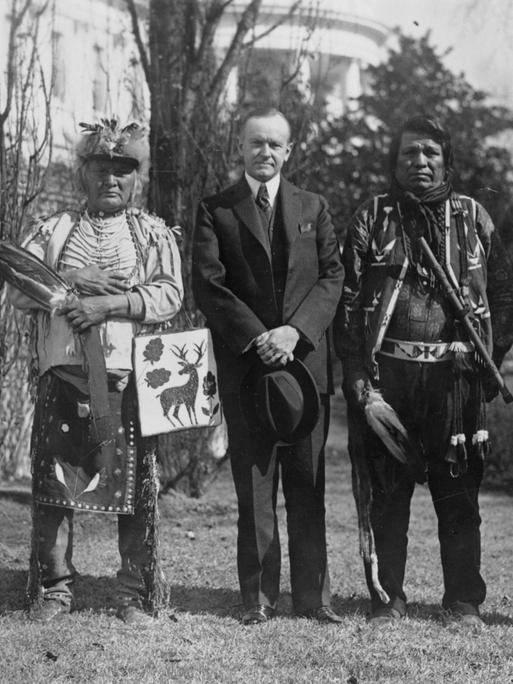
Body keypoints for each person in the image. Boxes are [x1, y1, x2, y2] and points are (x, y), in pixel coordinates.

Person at [334, 115, 513, 627]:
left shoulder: (474, 218)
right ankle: (388, 597)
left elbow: (503, 295)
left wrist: (490, 359)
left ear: (447, 161)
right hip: (389, 378)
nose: (420, 162)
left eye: (431, 153)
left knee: (458, 492)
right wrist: (355, 374)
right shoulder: (373, 216)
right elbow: (348, 304)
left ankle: (462, 601)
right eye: (410, 153)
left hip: (457, 378)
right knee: (387, 495)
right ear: (395, 161)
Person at [8, 118, 183, 625]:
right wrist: (69, 280)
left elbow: (170, 296)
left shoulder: (151, 232)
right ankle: (55, 590)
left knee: (133, 492)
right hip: (62, 378)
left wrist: (109, 304)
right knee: (54, 487)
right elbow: (19, 290)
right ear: (83, 174)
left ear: (136, 179)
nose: (111, 179)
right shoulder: (53, 230)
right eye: (101, 169)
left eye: (122, 171)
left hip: (127, 382)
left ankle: (131, 593)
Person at [192, 108, 344, 625]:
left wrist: (295, 332)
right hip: (248, 369)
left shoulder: (314, 206)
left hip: (305, 369)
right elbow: (209, 285)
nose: (266, 152)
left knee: (308, 484)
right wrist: (260, 337)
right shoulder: (216, 210)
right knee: (255, 487)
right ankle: (257, 598)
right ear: (240, 147)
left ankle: (313, 599)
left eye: (275, 144)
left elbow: (332, 277)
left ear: (289, 151)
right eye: (256, 143)